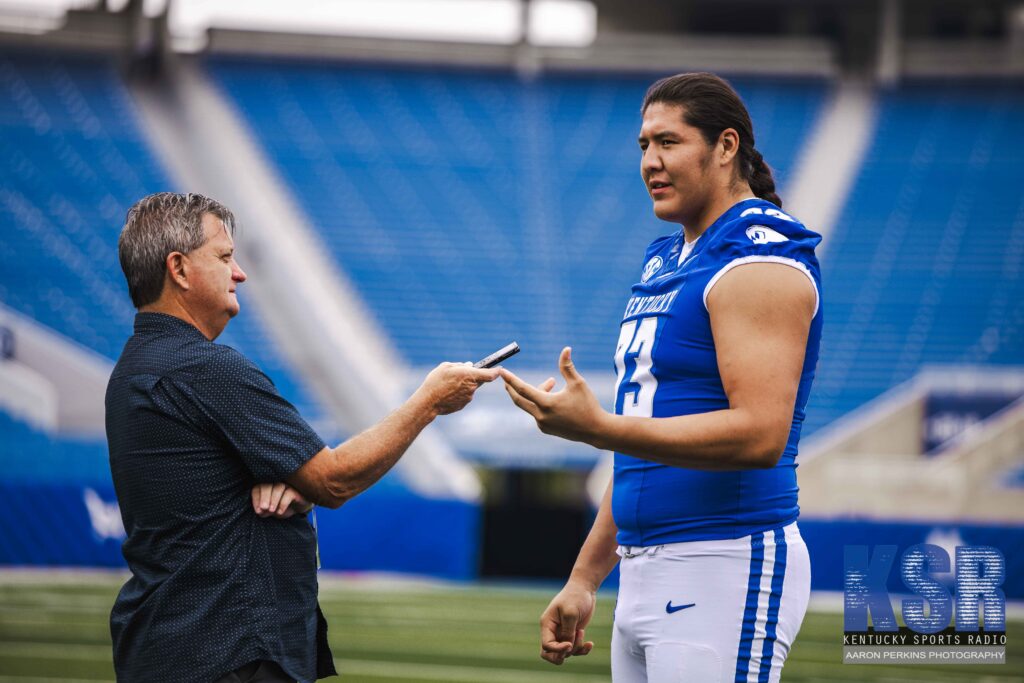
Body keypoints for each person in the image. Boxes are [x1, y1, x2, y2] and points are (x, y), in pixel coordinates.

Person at [501, 73, 822, 682]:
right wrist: (585, 576)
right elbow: (646, 446)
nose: (650, 161)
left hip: (724, 558)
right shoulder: (670, 257)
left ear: (726, 147)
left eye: (669, 142)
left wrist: (598, 429)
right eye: (644, 145)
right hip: (646, 566)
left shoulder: (757, 259)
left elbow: (760, 436)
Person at [106, 192, 498, 683]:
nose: (240, 272)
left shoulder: (133, 368)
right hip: (229, 649)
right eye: (225, 257)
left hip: (168, 642)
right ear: (179, 269)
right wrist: (429, 402)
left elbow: (208, 485)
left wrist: (290, 479)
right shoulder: (205, 369)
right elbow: (333, 481)